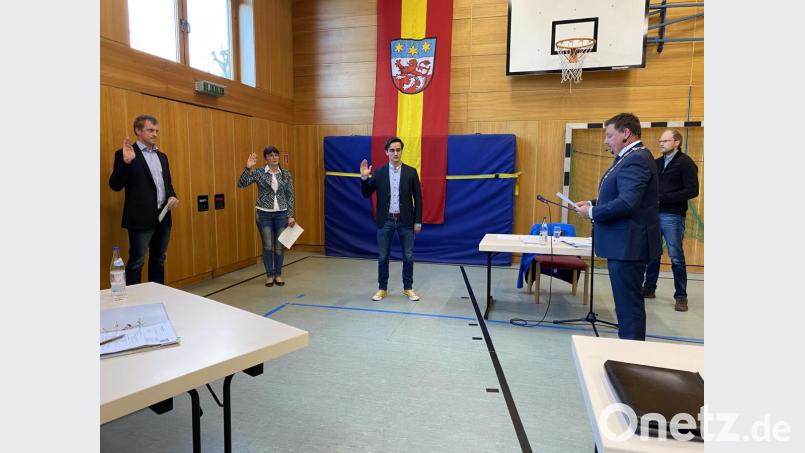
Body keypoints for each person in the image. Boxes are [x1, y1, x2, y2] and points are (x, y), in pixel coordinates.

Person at [576, 113, 661, 341]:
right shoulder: (627, 158)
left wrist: (593, 212)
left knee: (628, 307)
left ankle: (631, 357)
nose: (606, 141)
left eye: (609, 135)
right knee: (625, 306)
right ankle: (628, 351)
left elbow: (628, 202)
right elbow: (620, 195)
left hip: (629, 246)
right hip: (623, 245)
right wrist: (593, 203)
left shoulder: (637, 158)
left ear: (626, 133)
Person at [109, 115, 180, 285]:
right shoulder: (125, 153)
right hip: (140, 219)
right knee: (136, 262)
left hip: (163, 217)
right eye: (150, 130)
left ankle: (156, 297)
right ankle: (133, 303)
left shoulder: (162, 156)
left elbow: (167, 184)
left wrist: (173, 196)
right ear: (138, 131)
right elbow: (115, 185)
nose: (155, 134)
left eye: (157, 131)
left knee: (159, 259)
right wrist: (126, 163)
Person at [642, 129, 699, 312]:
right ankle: (649, 288)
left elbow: (692, 190)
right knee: (652, 253)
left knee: (676, 257)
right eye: (660, 141)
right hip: (653, 214)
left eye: (665, 141)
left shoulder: (685, 163)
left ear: (677, 142)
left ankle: (681, 296)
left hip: (672, 215)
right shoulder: (656, 163)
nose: (661, 144)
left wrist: (664, 198)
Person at [360, 137, 423, 301]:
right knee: (383, 257)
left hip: (406, 220)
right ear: (386, 152)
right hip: (385, 220)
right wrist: (364, 178)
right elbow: (366, 193)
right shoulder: (379, 172)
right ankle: (382, 288)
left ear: (402, 151)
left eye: (398, 150)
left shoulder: (411, 172)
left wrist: (418, 221)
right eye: (392, 150)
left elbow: (418, 198)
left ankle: (408, 288)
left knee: (408, 256)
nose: (396, 153)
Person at [238, 146, 296, 287]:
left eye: (276, 154)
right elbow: (241, 184)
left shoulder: (285, 174)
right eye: (270, 155)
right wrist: (247, 168)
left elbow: (290, 196)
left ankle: (278, 274)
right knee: (268, 245)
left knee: (278, 246)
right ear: (266, 158)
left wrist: (290, 215)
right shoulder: (259, 172)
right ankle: (269, 275)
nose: (274, 157)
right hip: (264, 214)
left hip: (281, 214)